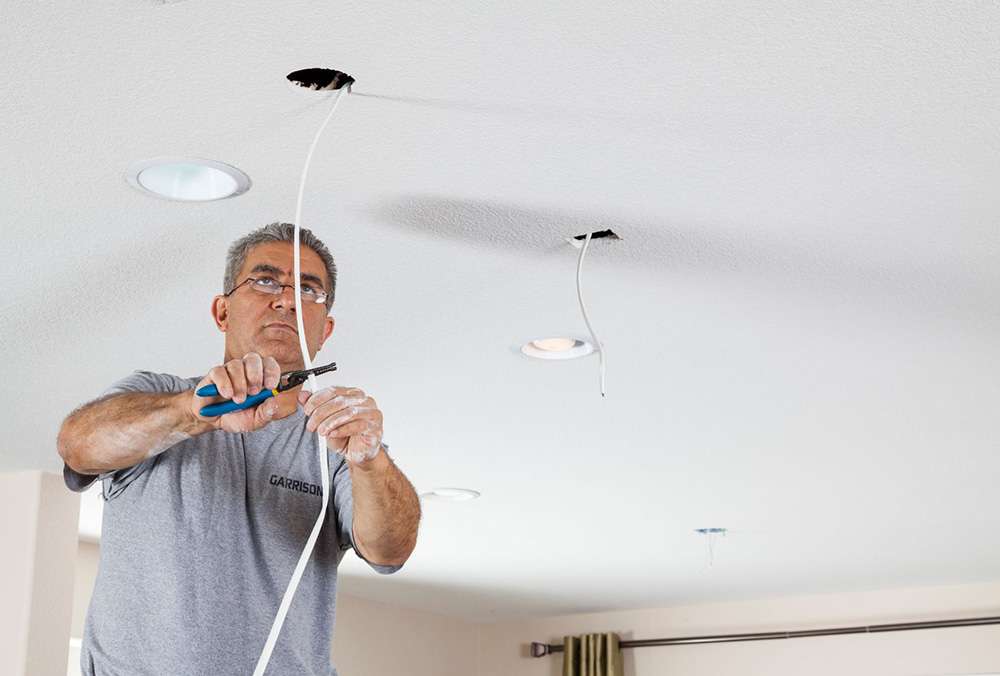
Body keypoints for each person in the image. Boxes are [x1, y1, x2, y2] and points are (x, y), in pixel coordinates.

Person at [57, 222, 421, 676]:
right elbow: (77, 445)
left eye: (309, 290)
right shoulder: (159, 395)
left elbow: (391, 551)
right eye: (265, 280)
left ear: (325, 330)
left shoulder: (338, 440)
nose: (286, 299)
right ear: (222, 312)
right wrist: (195, 413)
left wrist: (371, 461)